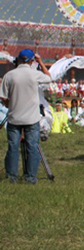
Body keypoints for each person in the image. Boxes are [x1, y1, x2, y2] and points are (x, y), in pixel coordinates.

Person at [0, 49, 52, 184]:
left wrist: (10, 105)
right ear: (31, 61)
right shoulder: (34, 74)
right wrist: (40, 61)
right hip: (32, 118)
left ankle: (11, 177)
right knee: (32, 147)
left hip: (14, 117)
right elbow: (49, 77)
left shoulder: (9, 75)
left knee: (12, 147)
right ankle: (30, 178)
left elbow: (3, 96)